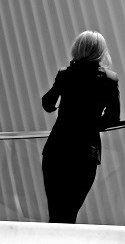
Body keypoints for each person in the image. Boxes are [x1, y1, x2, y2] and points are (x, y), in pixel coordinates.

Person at [41, 30, 120, 223]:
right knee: (70, 212)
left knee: (55, 211)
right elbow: (112, 118)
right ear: (100, 51)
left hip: (57, 149)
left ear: (77, 48)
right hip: (86, 153)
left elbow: (48, 104)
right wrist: (91, 124)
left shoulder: (65, 75)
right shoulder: (109, 79)